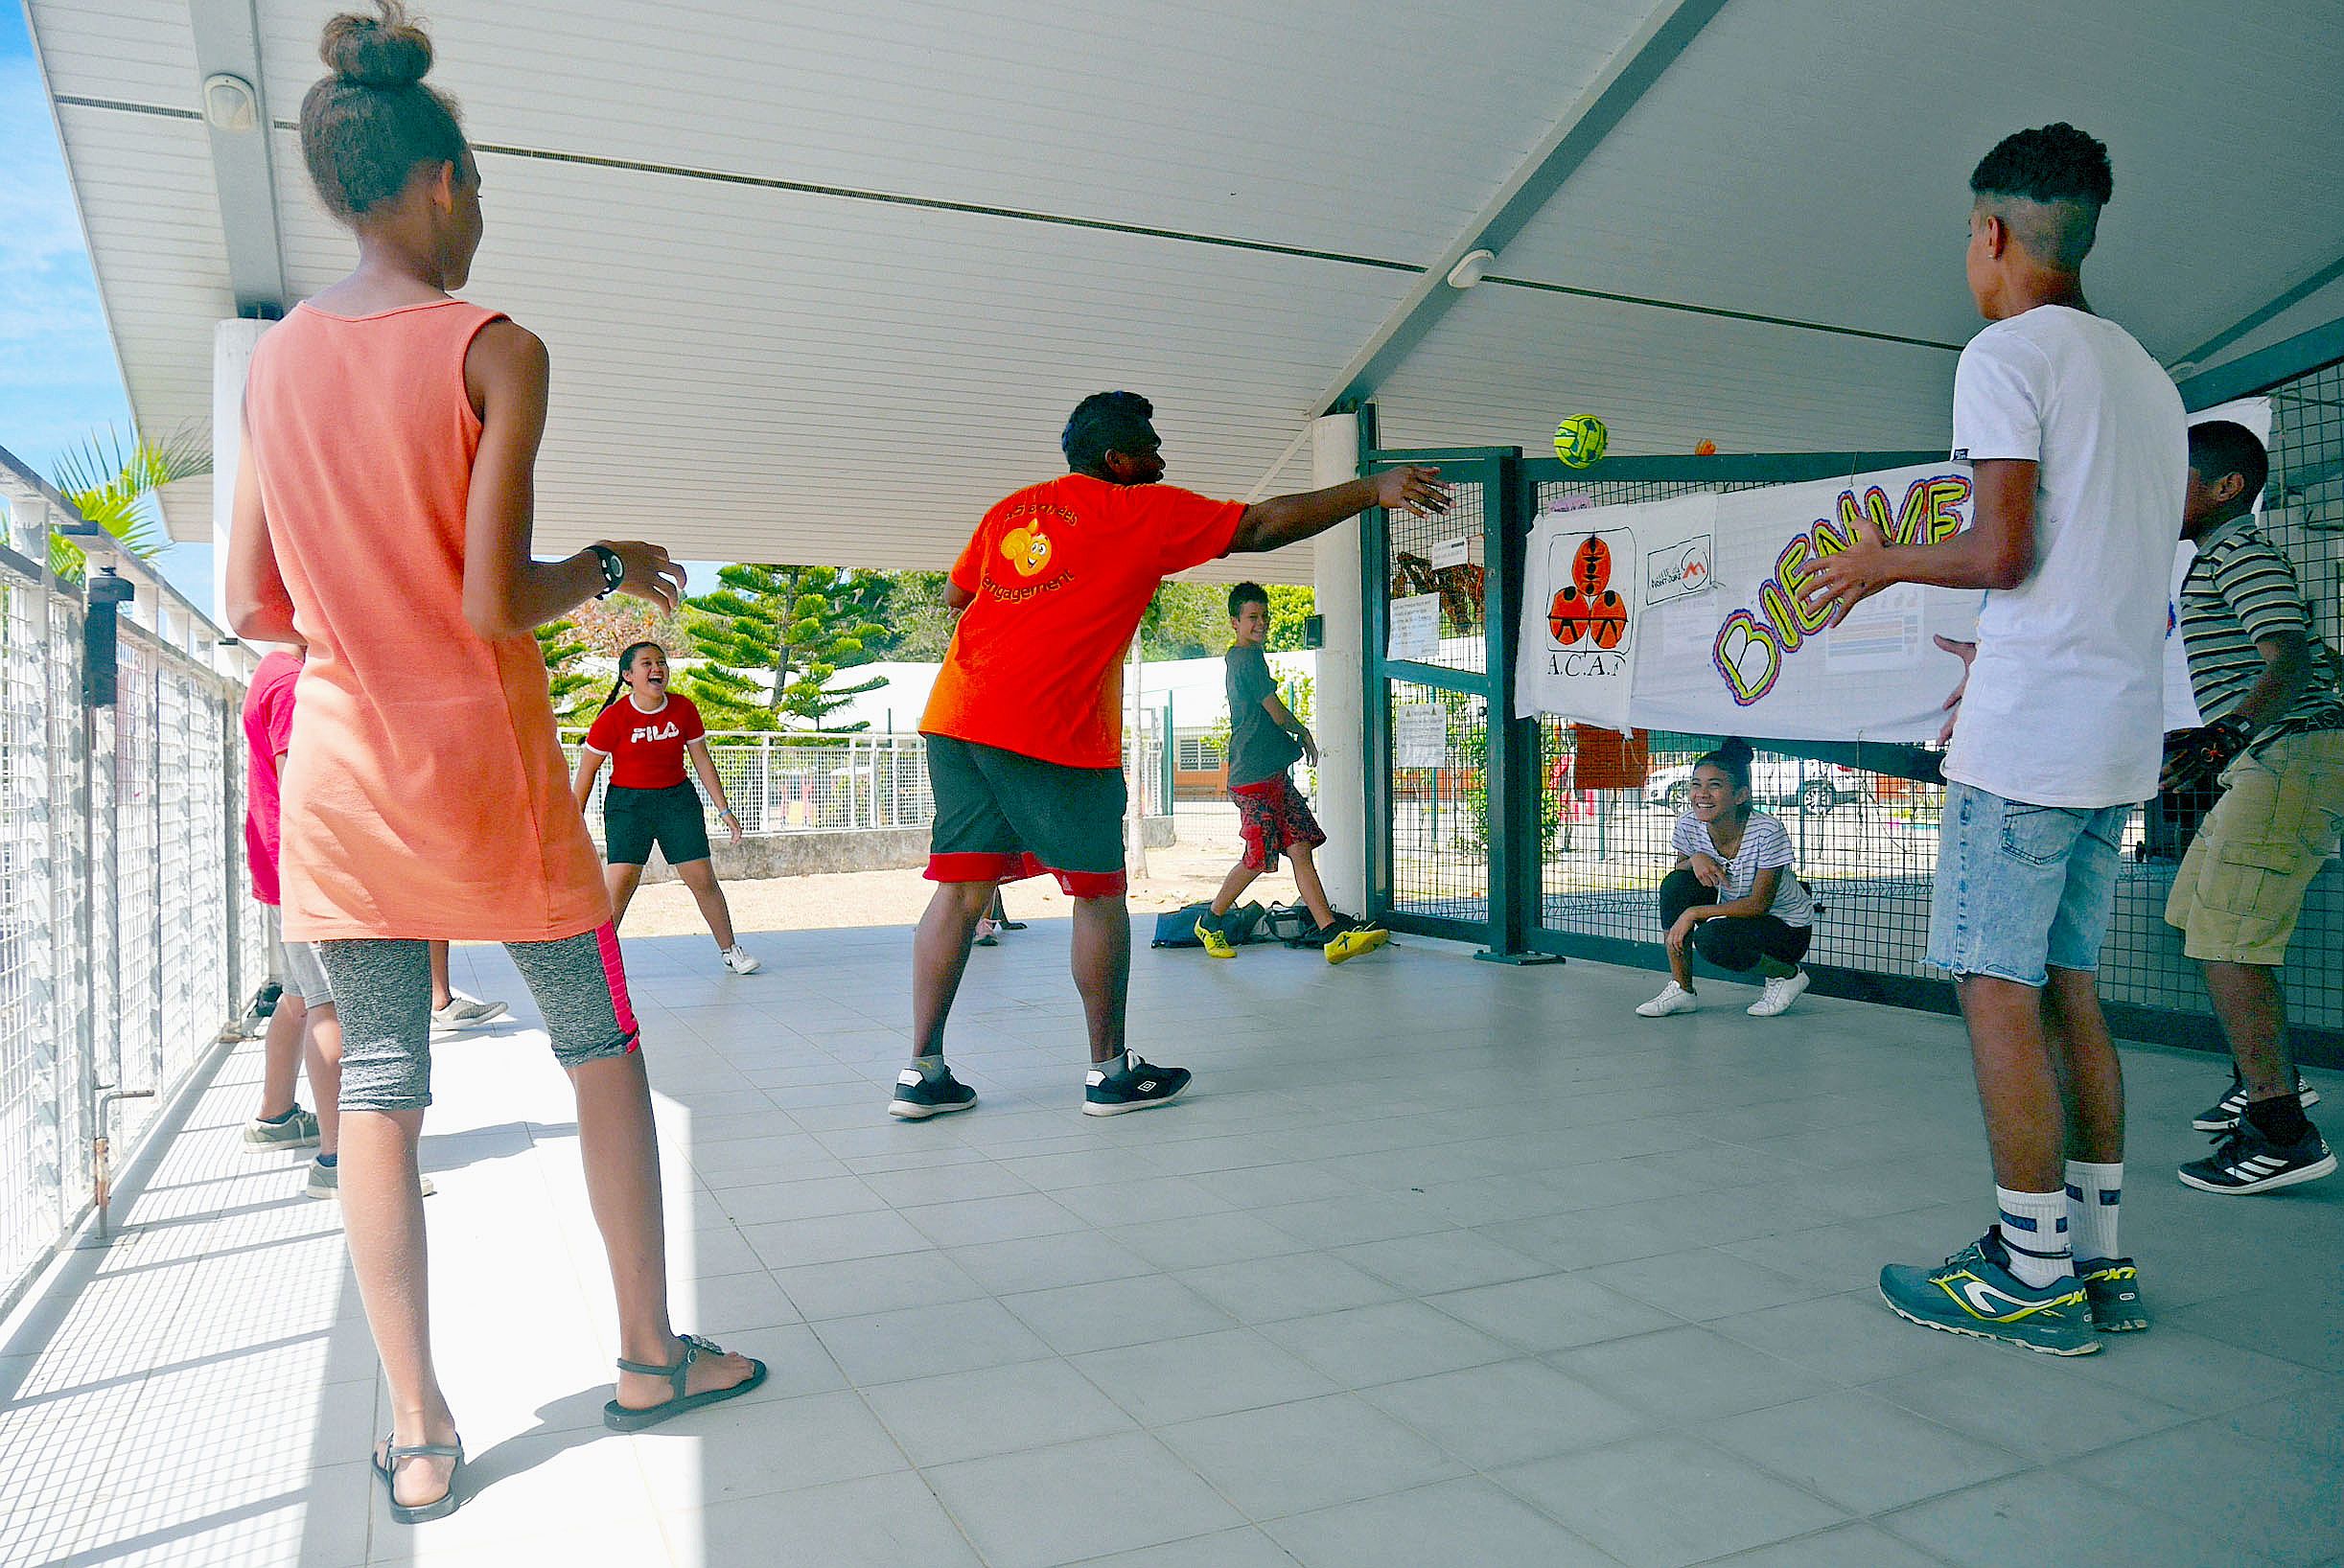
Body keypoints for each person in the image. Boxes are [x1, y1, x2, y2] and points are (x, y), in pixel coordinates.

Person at [225, 3, 761, 1523]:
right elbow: (490, 600)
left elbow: (258, 602)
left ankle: (415, 1431)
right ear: (444, 178)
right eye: (483, 192)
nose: (482, 220)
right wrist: (606, 562)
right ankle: (651, 1356)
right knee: (599, 1045)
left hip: (344, 777)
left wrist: (354, 607)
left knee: (380, 1085)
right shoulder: (497, 347)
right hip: (487, 777)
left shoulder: (275, 367)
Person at [1807, 124, 2185, 1352]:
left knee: (1993, 988)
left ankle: (2030, 1273)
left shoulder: (2005, 353)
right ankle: (2099, 1261)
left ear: (1992, 236)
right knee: (2069, 986)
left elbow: (2000, 548)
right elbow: (2085, 566)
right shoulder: (2145, 374)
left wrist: (1876, 562)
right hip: (2117, 731)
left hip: (2029, 743)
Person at [891, 390, 1447, 1120]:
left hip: (958, 713)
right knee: (1096, 894)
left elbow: (956, 595)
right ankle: (1109, 1074)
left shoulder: (1011, 510)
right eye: (1148, 449)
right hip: (1046, 723)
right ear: (1115, 459)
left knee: (960, 891)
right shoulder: (1133, 511)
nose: (1160, 461)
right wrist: (1370, 490)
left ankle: (921, 1076)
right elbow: (1259, 525)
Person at [2163, 419, 2339, 1193]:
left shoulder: (2237, 549)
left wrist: (2231, 727)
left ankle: (2281, 1131)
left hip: (2293, 753)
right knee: (2194, 914)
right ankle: (2266, 1077)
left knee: (2229, 936)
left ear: (2225, 487)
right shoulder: (2218, 559)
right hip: (2269, 755)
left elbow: (2289, 653)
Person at [1195, 582, 1386, 963]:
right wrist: (1303, 732)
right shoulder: (1245, 659)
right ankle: (1210, 921)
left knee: (1300, 848)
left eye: (1264, 617)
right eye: (1252, 618)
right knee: (1257, 857)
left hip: (1273, 774)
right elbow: (1275, 709)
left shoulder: (1247, 657)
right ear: (1234, 622)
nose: (1261, 624)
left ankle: (1332, 934)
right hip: (1254, 777)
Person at [572, 641, 760, 974]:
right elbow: (587, 771)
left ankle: (731, 950)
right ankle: (594, 963)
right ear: (628, 675)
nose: (656, 668)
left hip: (676, 802)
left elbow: (702, 760)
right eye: (646, 663)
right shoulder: (612, 718)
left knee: (703, 879)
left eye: (661, 662)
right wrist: (572, 824)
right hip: (628, 805)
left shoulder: (684, 709)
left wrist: (724, 810)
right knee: (620, 884)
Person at [240, 645, 338, 1197]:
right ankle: (340, 1159)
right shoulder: (293, 682)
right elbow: (301, 785)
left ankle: (276, 1119)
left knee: (301, 995)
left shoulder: (275, 668)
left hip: (284, 864)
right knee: (332, 1004)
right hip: (305, 867)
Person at [1633, 738, 1815, 1019]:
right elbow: (1683, 871)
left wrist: (1693, 913)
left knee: (1713, 940)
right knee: (1675, 886)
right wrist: (1695, 858)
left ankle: (1788, 976)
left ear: (1740, 795)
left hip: (1785, 927)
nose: (1701, 794)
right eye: (1696, 784)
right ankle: (1681, 989)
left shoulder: (1767, 831)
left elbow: (1758, 905)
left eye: (1714, 785)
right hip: (1737, 912)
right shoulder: (1689, 824)